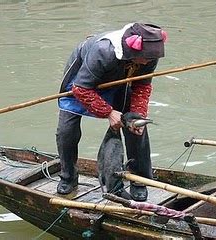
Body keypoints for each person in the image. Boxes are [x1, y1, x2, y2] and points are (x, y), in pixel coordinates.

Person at [56, 22, 167, 201]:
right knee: (66, 131)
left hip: (122, 79)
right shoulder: (103, 51)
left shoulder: (149, 55)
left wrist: (138, 113)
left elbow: (142, 86)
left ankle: (139, 179)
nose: (148, 62)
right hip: (84, 80)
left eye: (151, 58)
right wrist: (108, 112)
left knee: (136, 125)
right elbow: (81, 89)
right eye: (145, 58)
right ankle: (68, 176)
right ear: (133, 50)